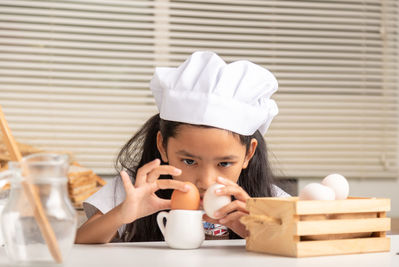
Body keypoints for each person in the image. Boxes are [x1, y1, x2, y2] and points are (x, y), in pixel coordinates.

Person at [76, 51, 289, 244]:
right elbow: (78, 243)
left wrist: (258, 233)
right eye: (189, 161)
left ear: (248, 153)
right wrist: (123, 214)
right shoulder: (135, 190)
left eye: (224, 163)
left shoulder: (270, 201)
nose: (205, 181)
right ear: (163, 146)